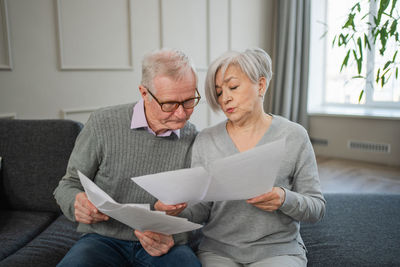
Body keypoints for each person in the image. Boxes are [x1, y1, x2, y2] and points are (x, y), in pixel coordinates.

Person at [156, 48, 326, 266]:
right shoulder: (207, 139)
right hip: (219, 251)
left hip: (277, 250)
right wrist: (175, 211)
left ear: (261, 85)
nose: (225, 98)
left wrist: (284, 198)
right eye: (218, 92)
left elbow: (316, 208)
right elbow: (201, 209)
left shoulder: (294, 136)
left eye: (233, 87)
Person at [54, 48, 202, 267]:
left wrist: (174, 235)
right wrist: (76, 203)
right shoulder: (102, 123)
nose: (181, 113)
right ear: (144, 93)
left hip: (164, 243)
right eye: (170, 104)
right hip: (102, 239)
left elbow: (201, 208)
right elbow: (68, 185)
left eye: (189, 101)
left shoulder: (194, 138)